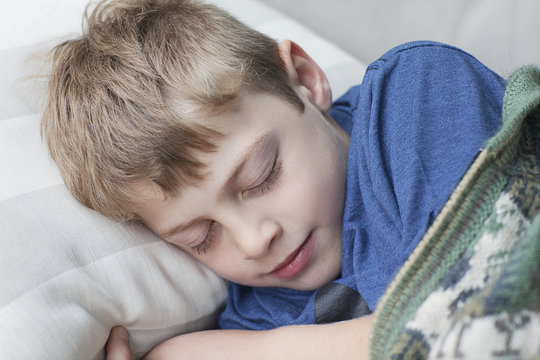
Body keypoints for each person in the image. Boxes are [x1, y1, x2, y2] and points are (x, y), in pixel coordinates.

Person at [41, 0, 506, 358]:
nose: (254, 241)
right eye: (201, 238)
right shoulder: (257, 316)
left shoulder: (412, 99)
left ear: (304, 78)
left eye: (261, 177)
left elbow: (484, 314)